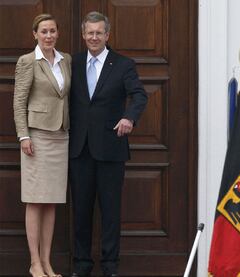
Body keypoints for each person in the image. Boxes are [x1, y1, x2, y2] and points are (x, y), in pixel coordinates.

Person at [69, 11, 147, 277]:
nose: (93, 37)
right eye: (89, 33)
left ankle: (110, 267)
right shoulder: (73, 63)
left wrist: (129, 117)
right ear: (83, 35)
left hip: (111, 149)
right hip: (79, 149)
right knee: (80, 211)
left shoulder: (123, 64)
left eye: (98, 33)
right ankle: (81, 265)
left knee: (110, 213)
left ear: (107, 35)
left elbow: (139, 95)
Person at [13, 13, 71, 277]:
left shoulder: (65, 60)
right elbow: (19, 102)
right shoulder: (28, 62)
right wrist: (24, 136)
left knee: (52, 201)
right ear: (34, 34)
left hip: (61, 136)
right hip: (36, 138)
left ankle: (47, 262)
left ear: (57, 34)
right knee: (35, 200)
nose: (49, 36)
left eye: (52, 31)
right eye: (44, 31)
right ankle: (34, 263)